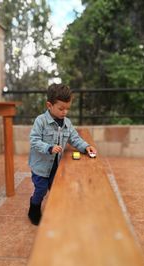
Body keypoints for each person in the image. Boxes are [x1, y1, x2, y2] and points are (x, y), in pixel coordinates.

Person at [28, 83, 97, 225]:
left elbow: (74, 138)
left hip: (56, 166)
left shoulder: (67, 123)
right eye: (61, 108)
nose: (65, 112)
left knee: (56, 189)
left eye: (67, 108)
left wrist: (86, 147)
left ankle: (54, 211)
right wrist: (49, 147)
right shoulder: (40, 121)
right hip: (41, 167)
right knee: (41, 190)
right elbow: (34, 140)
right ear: (49, 105)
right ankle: (34, 208)